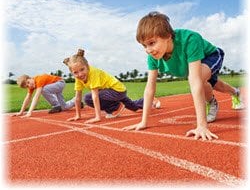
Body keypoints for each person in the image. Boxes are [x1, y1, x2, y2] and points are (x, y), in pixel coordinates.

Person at [123, 11, 244, 140]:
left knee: (199, 80)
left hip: (211, 56)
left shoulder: (190, 39)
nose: (148, 50)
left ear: (168, 36)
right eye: (144, 45)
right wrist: (144, 121)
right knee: (212, 83)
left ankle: (211, 103)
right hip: (194, 66)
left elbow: (195, 81)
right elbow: (149, 88)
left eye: (152, 43)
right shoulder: (153, 57)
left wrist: (201, 126)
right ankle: (235, 93)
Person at [63, 49, 160, 124]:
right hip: (111, 93)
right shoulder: (78, 78)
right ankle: (151, 100)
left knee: (88, 98)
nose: (80, 74)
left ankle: (116, 107)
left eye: (82, 69)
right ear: (72, 72)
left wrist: (98, 117)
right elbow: (77, 97)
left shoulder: (93, 73)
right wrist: (77, 115)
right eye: (75, 72)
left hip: (117, 91)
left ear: (87, 66)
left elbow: (95, 96)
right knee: (135, 107)